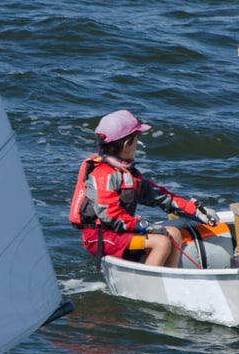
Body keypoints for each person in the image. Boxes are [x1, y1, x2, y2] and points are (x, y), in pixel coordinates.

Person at [69, 109, 216, 267]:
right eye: (136, 139)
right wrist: (144, 226)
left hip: (119, 231)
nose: (137, 145)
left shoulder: (128, 174)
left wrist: (193, 211)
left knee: (174, 233)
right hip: (99, 237)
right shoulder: (103, 175)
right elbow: (110, 216)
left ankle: (168, 280)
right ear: (126, 144)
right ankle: (152, 286)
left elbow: (159, 196)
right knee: (161, 243)